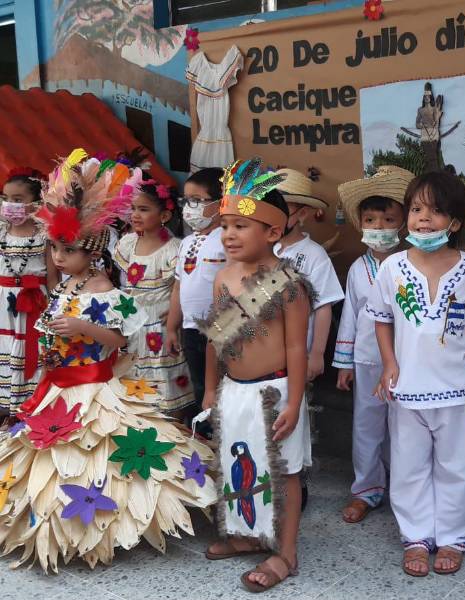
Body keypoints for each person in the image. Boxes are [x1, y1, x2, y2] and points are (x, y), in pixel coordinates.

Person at [0, 150, 216, 571]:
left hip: (93, 387)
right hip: (58, 385)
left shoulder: (100, 289)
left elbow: (118, 339)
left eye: (67, 251)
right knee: (54, 456)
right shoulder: (68, 283)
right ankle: (56, 523)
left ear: (92, 252)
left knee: (97, 453)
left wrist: (82, 327)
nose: (58, 259)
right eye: (55, 250)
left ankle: (106, 524)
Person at [366, 170, 465, 577]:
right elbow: (380, 318)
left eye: (436, 211)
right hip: (408, 388)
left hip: (456, 389)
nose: (423, 219)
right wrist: (390, 363)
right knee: (408, 464)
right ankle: (415, 536)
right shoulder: (392, 268)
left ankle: (451, 537)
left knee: (455, 465)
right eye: (415, 209)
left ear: (455, 223)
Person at [198, 159, 312, 592]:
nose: (228, 234)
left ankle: (285, 552)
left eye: (241, 226)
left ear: (272, 232)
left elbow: (296, 347)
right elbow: (215, 339)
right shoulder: (223, 277)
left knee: (284, 471)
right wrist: (211, 387)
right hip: (233, 390)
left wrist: (296, 401)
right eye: (225, 225)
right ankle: (247, 535)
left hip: (276, 389)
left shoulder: (289, 285)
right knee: (237, 464)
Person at [333, 166, 414, 524]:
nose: (379, 227)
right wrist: (344, 364)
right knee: (367, 425)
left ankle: (405, 490)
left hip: (407, 362)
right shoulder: (356, 269)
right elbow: (350, 315)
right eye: (371, 219)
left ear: (403, 224)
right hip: (367, 361)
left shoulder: (412, 265)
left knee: (404, 426)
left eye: (388, 219)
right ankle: (366, 490)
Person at [273, 167, 344, 509]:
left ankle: (295, 480)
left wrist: (317, 353)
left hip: (297, 355)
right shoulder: (259, 247)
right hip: (264, 355)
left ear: (300, 212)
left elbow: (325, 306)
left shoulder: (312, 255)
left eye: (280, 206)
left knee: (297, 414)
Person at [113, 178, 192, 417]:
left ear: (165, 216)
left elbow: (183, 288)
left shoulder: (175, 249)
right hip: (131, 325)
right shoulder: (126, 244)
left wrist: (175, 317)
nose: (135, 215)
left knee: (165, 384)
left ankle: (173, 432)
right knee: (132, 380)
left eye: (144, 209)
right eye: (134, 208)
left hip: (160, 325)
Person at [165, 168, 226, 426]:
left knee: (223, 387)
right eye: (186, 200)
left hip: (221, 330)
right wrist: (171, 327)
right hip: (191, 329)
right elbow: (179, 287)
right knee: (201, 387)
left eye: (197, 200)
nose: (189, 207)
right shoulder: (186, 242)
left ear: (220, 203)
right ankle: (206, 440)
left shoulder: (227, 237)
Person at [0, 168, 57, 415]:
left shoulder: (45, 234)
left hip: (36, 301)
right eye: (6, 198)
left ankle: (30, 407)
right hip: (3, 303)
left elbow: (53, 275)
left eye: (18, 200)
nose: (10, 205)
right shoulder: (1, 231)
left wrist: (55, 307)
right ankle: (6, 410)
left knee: (32, 349)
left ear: (35, 203)